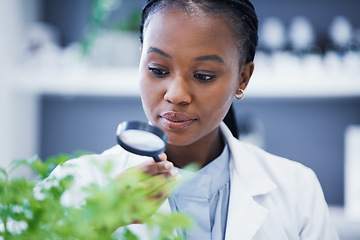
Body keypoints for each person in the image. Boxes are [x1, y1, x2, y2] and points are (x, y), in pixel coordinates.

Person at [49, 0, 339, 239]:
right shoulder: (75, 182)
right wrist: (101, 218)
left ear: (243, 78)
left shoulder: (297, 189)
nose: (176, 95)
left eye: (203, 76)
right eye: (158, 70)